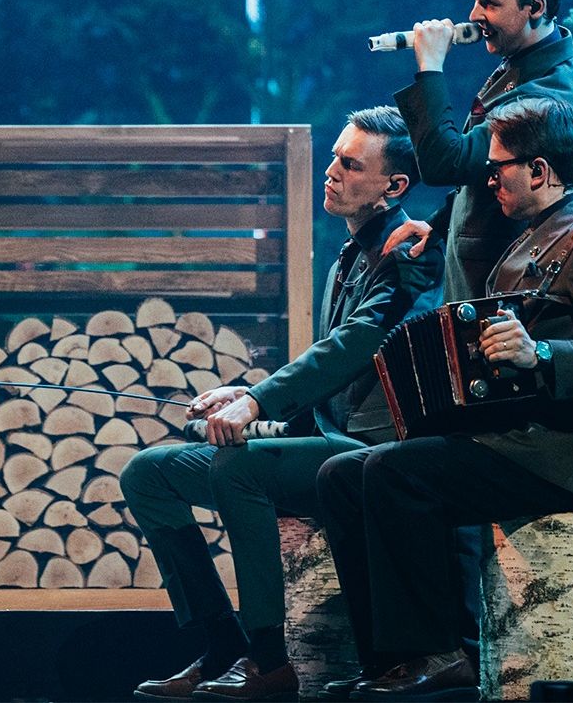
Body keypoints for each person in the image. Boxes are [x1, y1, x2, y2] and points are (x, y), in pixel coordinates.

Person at [315, 97, 573, 701]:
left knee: (395, 472)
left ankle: (440, 653)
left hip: (558, 459)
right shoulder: (528, 239)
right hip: (508, 441)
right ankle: (387, 660)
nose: (488, 179)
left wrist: (540, 353)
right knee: (341, 474)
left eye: (499, 168)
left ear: (540, 171)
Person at [120, 106, 444, 702]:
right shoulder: (349, 256)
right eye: (335, 158)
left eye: (352, 165)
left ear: (393, 186)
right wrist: (250, 401)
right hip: (325, 443)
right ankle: (222, 644)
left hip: (371, 453)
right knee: (148, 473)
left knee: (238, 467)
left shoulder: (411, 253)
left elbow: (356, 346)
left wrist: (255, 401)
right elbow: (326, 372)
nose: (332, 172)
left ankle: (269, 660)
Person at [385, 0, 573, 302]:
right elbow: (482, 170)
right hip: (486, 286)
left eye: (489, 3)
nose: (474, 15)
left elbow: (446, 163)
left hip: (507, 297)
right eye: (475, 0)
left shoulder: (548, 92)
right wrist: (440, 225)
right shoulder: (526, 62)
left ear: (535, 6)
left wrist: (430, 67)